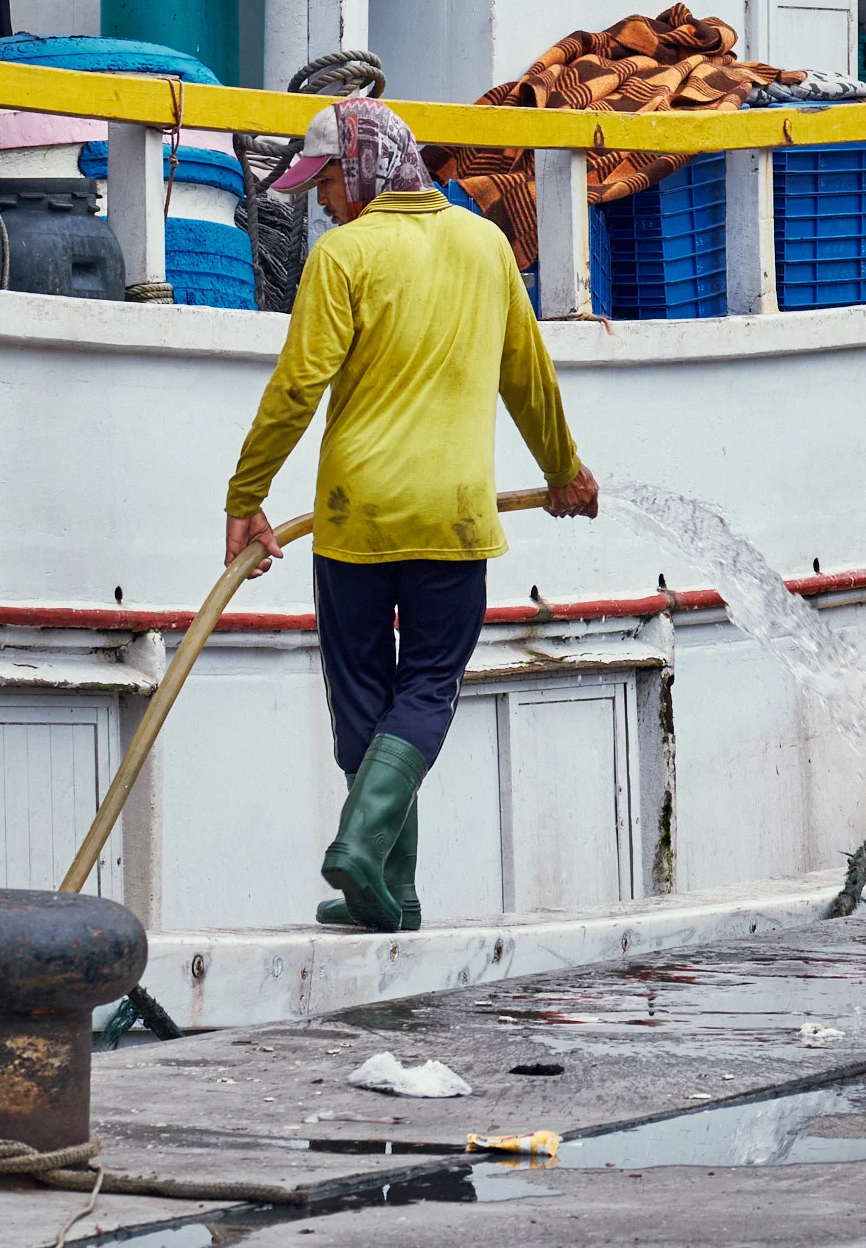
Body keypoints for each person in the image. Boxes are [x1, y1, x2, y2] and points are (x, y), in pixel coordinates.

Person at [223, 98, 598, 933]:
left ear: (357, 172)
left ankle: (368, 852)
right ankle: (389, 882)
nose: (317, 201)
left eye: (322, 182)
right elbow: (528, 378)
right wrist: (563, 470)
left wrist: (246, 497)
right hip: (454, 520)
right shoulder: (486, 244)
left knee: (362, 694)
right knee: (426, 686)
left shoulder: (344, 257)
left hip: (354, 519)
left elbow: (296, 390)